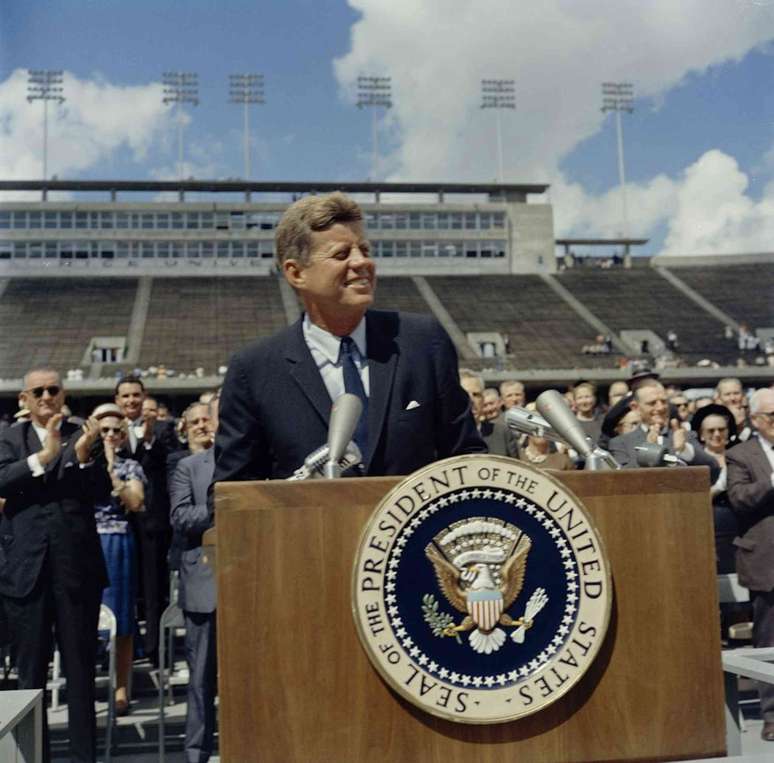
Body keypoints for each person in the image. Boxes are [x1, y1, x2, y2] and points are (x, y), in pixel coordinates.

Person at [214, 192, 484, 484]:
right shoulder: (254, 370)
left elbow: (465, 456)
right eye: (342, 254)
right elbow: (232, 495)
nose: (362, 262)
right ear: (296, 273)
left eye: (364, 250)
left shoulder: (423, 342)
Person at [0, 369, 108, 762]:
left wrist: (79, 457)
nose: (46, 396)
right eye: (38, 391)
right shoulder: (8, 438)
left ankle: (83, 757)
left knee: (80, 672)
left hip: (76, 571)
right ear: (23, 400)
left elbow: (100, 491)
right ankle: (32, 757)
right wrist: (42, 459)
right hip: (26, 573)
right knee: (29, 676)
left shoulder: (85, 434)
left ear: (63, 395)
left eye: (53, 389)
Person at [114, 375, 181, 665]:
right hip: (120, 523)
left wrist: (150, 436)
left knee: (153, 589)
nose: (131, 401)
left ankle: (155, 651)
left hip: (152, 521)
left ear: (144, 397)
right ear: (117, 400)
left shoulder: (164, 430)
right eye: (125, 396)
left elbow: (168, 465)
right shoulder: (111, 429)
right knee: (124, 588)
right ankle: (127, 652)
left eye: (135, 395)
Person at [170, 397, 218, 763]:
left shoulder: (246, 461)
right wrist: (221, 507)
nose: (203, 425)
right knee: (200, 679)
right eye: (196, 421)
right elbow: (181, 516)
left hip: (247, 581)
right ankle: (195, 755)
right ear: (186, 429)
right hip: (203, 583)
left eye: (208, 419)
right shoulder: (185, 467)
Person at [91, 403, 146, 716]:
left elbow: (136, 501)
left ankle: (121, 688)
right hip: (86, 543)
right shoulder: (82, 463)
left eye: (116, 431)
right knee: (85, 619)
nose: (110, 435)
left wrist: (113, 472)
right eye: (105, 430)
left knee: (121, 618)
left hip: (117, 542)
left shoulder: (130, 467)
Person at [727, 388, 774, 742]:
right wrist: (771, 482)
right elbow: (739, 498)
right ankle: (772, 714)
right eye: (773, 416)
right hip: (765, 561)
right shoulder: (740, 455)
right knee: (768, 640)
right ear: (756, 420)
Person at [608, 380, 717, 471]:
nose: (660, 408)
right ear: (635, 407)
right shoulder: (621, 443)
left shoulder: (685, 436)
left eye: (664, 401)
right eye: (652, 403)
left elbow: (713, 470)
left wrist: (684, 450)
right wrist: (647, 452)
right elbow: (621, 480)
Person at [691, 404, 738, 574]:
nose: (717, 434)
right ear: (701, 435)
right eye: (711, 431)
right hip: (707, 527)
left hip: (738, 529)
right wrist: (718, 488)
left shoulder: (741, 457)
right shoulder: (693, 462)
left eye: (721, 429)